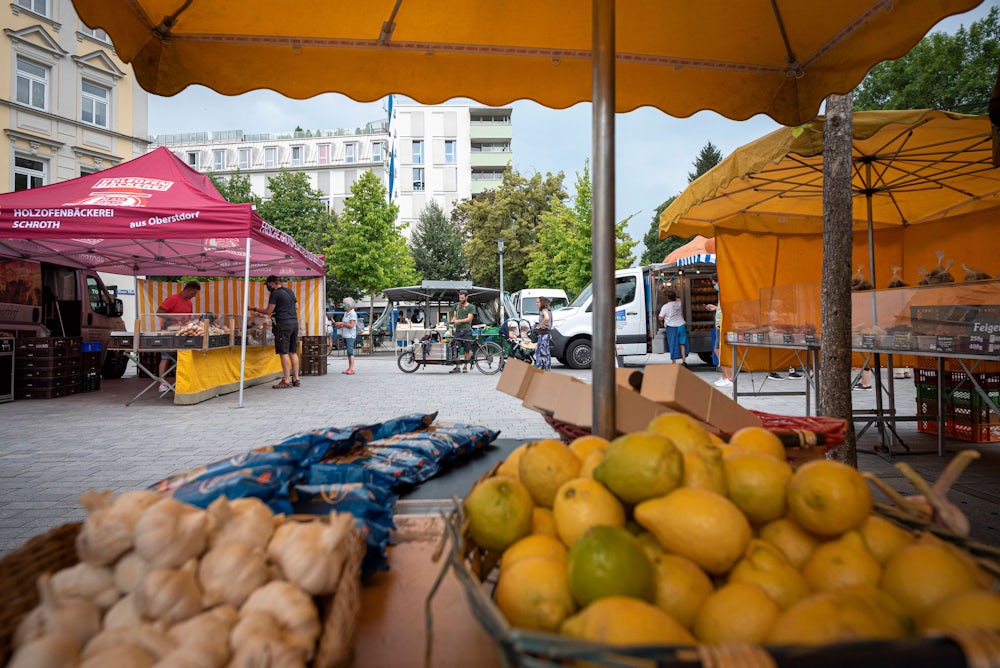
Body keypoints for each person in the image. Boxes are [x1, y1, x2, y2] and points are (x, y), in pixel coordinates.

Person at [250, 275, 300, 388]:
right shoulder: (289, 291)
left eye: (267, 285)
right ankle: (296, 379)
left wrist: (254, 308)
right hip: (294, 323)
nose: (267, 287)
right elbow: (296, 306)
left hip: (283, 324)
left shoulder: (275, 294)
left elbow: (268, 311)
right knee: (293, 351)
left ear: (271, 283)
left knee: (284, 352)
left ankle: (286, 380)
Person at [156, 281, 201, 393]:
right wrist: (175, 317)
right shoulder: (172, 299)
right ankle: (162, 383)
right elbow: (159, 312)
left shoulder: (189, 302)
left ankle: (180, 382)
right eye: (194, 293)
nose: (194, 296)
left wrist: (195, 320)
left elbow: (188, 317)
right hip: (168, 331)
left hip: (182, 333)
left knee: (181, 357)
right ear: (188, 290)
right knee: (166, 357)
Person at [706, 277, 733, 388]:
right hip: (720, 325)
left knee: (720, 351)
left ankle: (728, 377)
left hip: (722, 325)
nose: (714, 286)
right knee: (719, 351)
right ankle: (725, 376)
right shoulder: (722, 294)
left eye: (715, 283)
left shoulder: (725, 294)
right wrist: (715, 308)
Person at [657, 289, 687, 365]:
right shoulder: (679, 303)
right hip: (681, 325)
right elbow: (679, 298)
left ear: (667, 298)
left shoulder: (665, 306)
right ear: (675, 297)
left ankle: (674, 363)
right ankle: (684, 361)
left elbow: (660, 318)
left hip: (672, 327)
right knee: (682, 343)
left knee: (673, 344)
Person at [449, 289, 475, 373]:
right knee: (456, 348)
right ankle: (457, 367)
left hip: (467, 330)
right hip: (458, 330)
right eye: (460, 298)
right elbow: (454, 316)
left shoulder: (471, 307)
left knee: (467, 349)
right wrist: (453, 321)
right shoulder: (456, 305)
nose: (461, 299)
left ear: (466, 297)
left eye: (462, 298)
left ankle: (465, 366)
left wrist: (458, 321)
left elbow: (469, 318)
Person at [333, 297, 359, 375]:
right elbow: (344, 324)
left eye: (345, 304)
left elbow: (351, 325)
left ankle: (352, 368)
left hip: (350, 335)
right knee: (348, 352)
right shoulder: (346, 313)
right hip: (345, 334)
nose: (343, 305)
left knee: (350, 352)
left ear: (349, 305)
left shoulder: (352, 314)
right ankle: (349, 367)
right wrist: (339, 325)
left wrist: (342, 323)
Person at [533, 296, 553, 370]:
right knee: (539, 351)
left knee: (543, 352)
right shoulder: (547, 310)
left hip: (544, 334)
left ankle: (545, 369)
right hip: (543, 334)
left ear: (542, 302)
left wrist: (541, 324)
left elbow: (546, 317)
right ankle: (541, 368)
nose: (536, 304)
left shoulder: (544, 310)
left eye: (538, 302)